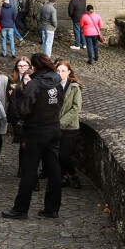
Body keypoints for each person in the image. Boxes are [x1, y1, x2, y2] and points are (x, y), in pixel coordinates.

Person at [2, 53, 64, 220]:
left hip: (36, 131)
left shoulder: (35, 84)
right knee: (54, 170)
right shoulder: (57, 81)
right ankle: (52, 208)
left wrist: (18, 95)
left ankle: (20, 209)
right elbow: (60, 103)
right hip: (54, 128)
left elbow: (23, 109)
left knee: (29, 171)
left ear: (35, 66)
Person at [55, 59, 83, 189]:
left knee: (64, 154)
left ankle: (73, 175)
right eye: (58, 70)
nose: (60, 73)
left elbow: (76, 108)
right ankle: (63, 176)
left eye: (63, 71)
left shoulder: (74, 87)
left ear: (69, 72)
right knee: (56, 154)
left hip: (70, 127)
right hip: (54, 126)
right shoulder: (52, 86)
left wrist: (61, 122)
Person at [6, 57, 31, 180]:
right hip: (18, 118)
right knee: (23, 145)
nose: (22, 68)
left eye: (25, 66)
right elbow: (12, 100)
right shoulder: (13, 81)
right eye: (20, 66)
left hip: (31, 120)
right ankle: (22, 168)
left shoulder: (33, 81)